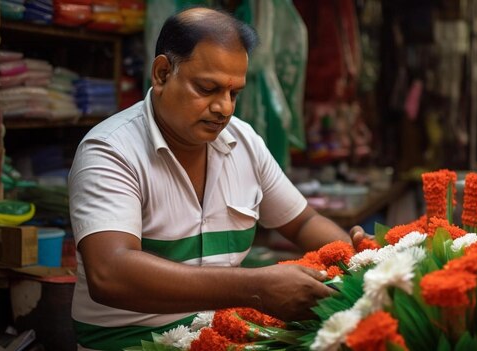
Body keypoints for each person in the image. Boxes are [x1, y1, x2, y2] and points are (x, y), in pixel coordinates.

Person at [68, 7, 366, 350]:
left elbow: (302, 223)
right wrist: (255, 288)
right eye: (207, 89)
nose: (224, 107)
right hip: (127, 343)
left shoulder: (244, 142)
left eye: (233, 93)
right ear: (163, 74)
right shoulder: (110, 150)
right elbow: (110, 273)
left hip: (219, 337)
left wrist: (358, 264)